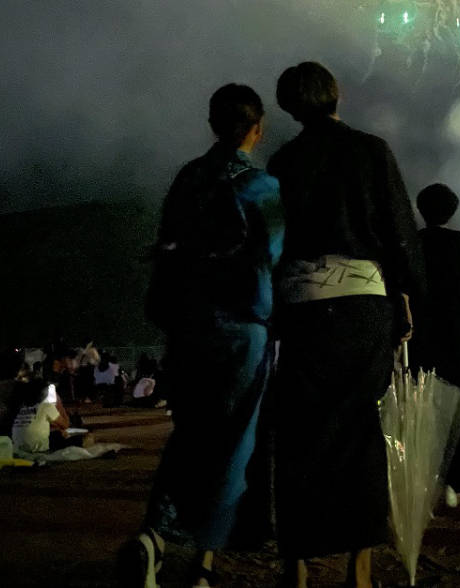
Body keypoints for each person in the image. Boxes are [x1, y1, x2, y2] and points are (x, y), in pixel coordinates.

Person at [267, 62, 423, 588]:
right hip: (362, 304)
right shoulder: (370, 150)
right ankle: (358, 567)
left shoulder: (283, 160)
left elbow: (274, 240)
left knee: (300, 432)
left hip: (300, 306)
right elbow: (398, 228)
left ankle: (299, 564)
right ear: (338, 96)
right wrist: (409, 294)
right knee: (361, 430)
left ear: (289, 107)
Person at [124, 83, 285, 588]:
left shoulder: (188, 179)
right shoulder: (264, 188)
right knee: (234, 442)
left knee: (189, 433)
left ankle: (155, 533)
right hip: (242, 329)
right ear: (257, 130)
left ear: (212, 124)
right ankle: (204, 564)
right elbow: (275, 256)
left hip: (187, 324)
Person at [412, 182, 460, 509]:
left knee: (424, 411)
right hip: (459, 339)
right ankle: (455, 481)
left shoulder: (412, 244)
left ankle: (425, 478)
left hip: (422, 340)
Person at [11, 379, 70, 454]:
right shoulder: (46, 406)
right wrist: (59, 402)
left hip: (19, 447)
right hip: (38, 448)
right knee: (69, 438)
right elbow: (65, 424)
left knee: (56, 431)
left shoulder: (20, 407)